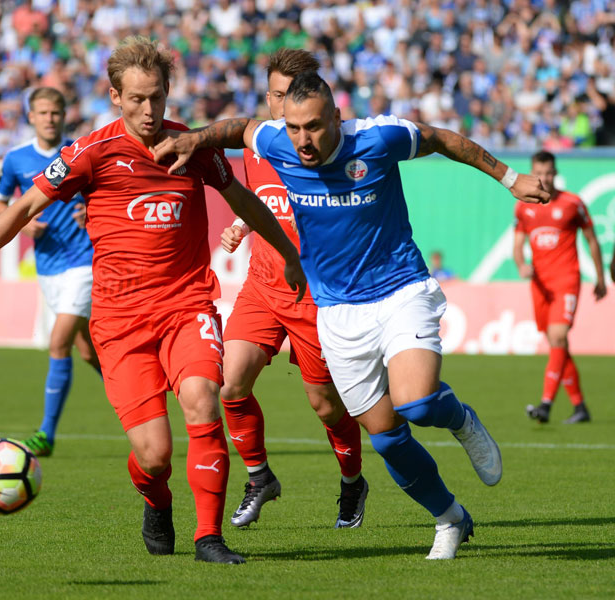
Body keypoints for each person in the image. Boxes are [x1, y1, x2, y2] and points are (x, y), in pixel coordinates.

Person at [154, 71, 551, 559]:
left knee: (418, 404)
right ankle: (449, 517)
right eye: (295, 127)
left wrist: (510, 179)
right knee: (386, 439)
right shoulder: (278, 140)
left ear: (338, 118)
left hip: (400, 290)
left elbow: (441, 139)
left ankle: (461, 419)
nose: (304, 139)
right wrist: (193, 139)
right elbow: (238, 128)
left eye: (316, 127)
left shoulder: (379, 138)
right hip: (338, 312)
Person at [0, 37, 306, 564]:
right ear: (116, 96)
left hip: (187, 304)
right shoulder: (91, 152)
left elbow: (243, 199)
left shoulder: (193, 147)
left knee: (204, 400)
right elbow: (24, 208)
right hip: (120, 320)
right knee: (155, 455)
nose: (148, 110)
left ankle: (210, 539)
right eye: (136, 99)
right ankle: (155, 499)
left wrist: (286, 253)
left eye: (157, 97)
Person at [218, 49, 368, 530]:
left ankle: (352, 480)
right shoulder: (256, 144)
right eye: (279, 96)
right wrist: (244, 223)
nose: (286, 110)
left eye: (295, 98)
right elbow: (266, 201)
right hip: (262, 285)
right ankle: (260, 477)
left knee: (325, 404)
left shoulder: (329, 148)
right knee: (230, 383)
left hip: (315, 295)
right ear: (269, 97)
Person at [0, 86, 100, 457]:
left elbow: (105, 190)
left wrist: (93, 210)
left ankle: (46, 434)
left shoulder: (81, 151)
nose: (49, 119)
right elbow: (0, 201)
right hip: (48, 266)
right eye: (42, 113)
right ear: (31, 117)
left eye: (55, 112)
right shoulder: (15, 159)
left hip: (84, 262)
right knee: (87, 352)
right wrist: (22, 226)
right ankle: (139, 394)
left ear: (63, 115)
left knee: (58, 343)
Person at [514, 151, 607, 425]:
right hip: (539, 286)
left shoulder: (572, 203)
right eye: (539, 173)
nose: (544, 178)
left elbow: (591, 240)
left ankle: (545, 404)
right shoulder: (524, 207)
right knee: (558, 344)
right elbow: (517, 245)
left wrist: (600, 278)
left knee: (557, 337)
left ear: (555, 173)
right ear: (533, 173)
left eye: (549, 173)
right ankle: (580, 406)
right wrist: (521, 265)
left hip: (566, 280)